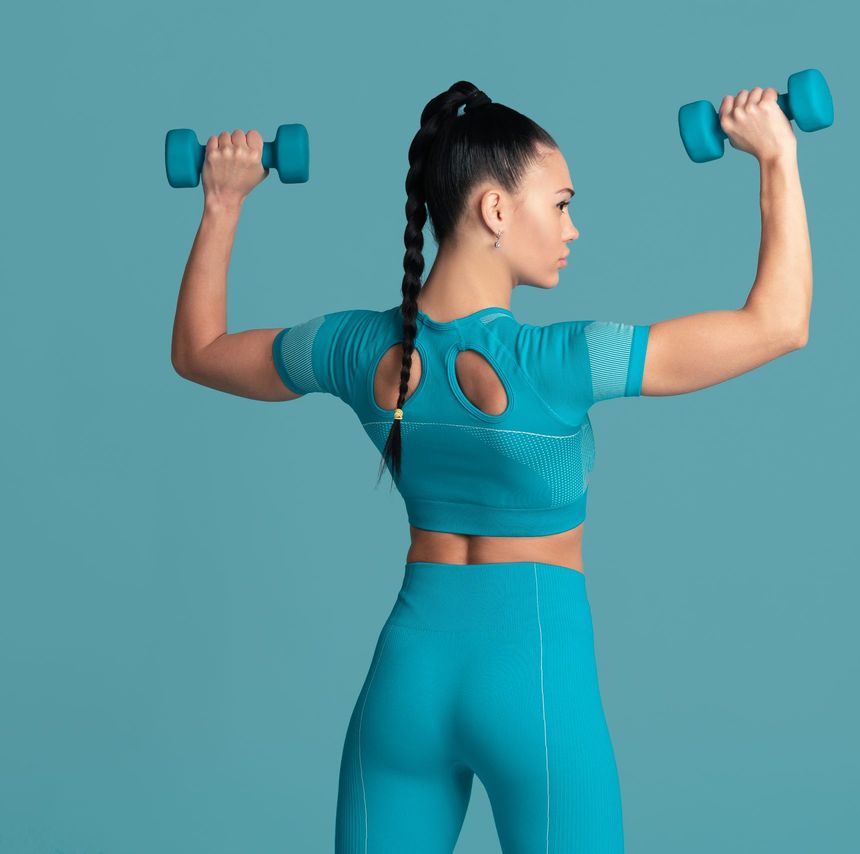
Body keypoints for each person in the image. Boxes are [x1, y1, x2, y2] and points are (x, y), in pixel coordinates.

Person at [172, 80, 811, 854]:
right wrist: (776, 155)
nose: (574, 229)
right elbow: (780, 324)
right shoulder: (561, 360)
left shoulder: (355, 348)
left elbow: (199, 353)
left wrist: (223, 201)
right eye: (562, 204)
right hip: (536, 680)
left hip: (407, 683)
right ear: (496, 211)